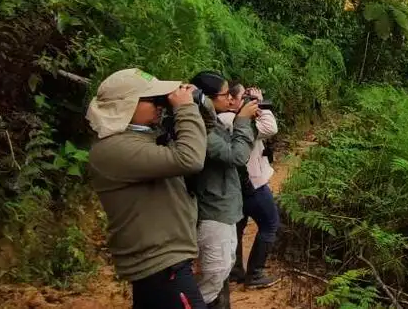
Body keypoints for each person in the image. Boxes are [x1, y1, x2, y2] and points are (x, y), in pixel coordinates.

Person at [86, 68, 207, 309]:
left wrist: (199, 107)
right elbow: (191, 158)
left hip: (163, 261)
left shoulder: (141, 138)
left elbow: (201, 141)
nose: (161, 105)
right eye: (154, 100)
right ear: (126, 105)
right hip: (160, 264)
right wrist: (185, 109)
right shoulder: (114, 149)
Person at [190, 71, 258, 309]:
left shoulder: (213, 122)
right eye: (225, 94)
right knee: (212, 276)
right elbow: (236, 155)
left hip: (224, 209)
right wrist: (242, 121)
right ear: (206, 99)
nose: (230, 98)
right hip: (212, 211)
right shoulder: (198, 128)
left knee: (222, 269)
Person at [221, 84, 281, 289]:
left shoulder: (221, 119)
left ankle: (235, 270)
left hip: (236, 185)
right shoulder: (232, 120)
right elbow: (270, 128)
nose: (248, 101)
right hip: (252, 184)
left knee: (238, 227)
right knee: (270, 224)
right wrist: (260, 104)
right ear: (231, 100)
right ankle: (255, 274)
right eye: (244, 96)